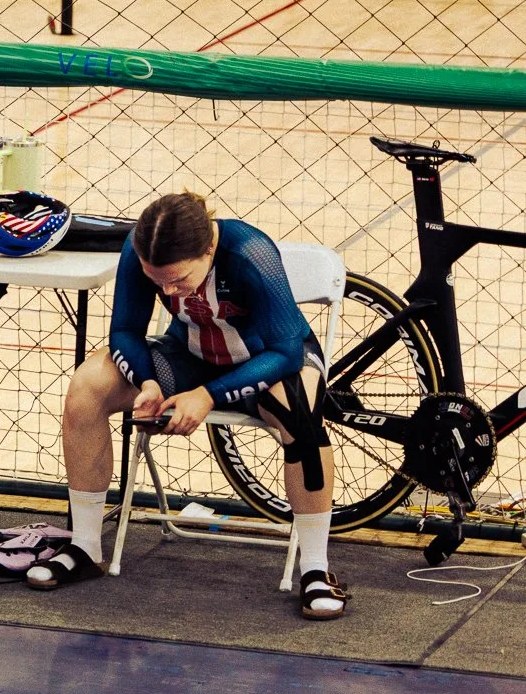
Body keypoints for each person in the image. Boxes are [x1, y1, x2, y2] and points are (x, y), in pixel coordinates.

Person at [28, 191, 347, 620]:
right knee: (88, 386)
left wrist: (209, 396)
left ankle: (315, 568)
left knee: (298, 408)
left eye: (178, 280)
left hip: (264, 362)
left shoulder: (249, 251)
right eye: (156, 280)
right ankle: (86, 546)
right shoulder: (140, 248)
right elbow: (124, 331)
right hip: (191, 356)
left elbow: (287, 351)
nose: (167, 289)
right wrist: (147, 384)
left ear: (210, 249)